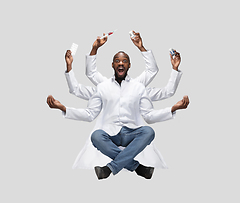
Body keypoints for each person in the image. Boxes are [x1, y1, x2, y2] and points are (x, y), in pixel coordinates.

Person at [46, 48, 189, 179]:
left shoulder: (139, 87)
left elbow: (149, 116)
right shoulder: (102, 87)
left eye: (124, 61)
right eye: (117, 61)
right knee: (96, 136)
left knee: (148, 132)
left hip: (132, 134)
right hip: (110, 135)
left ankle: (109, 169)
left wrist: (173, 108)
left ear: (129, 65)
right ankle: (138, 168)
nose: (121, 63)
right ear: (113, 65)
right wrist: (64, 108)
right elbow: (90, 113)